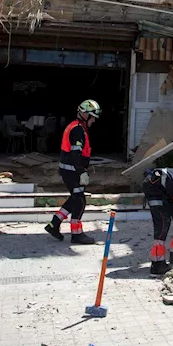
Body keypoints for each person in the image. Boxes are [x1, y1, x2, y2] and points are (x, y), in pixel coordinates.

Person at [46, 100, 100, 245]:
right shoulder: (77, 130)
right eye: (92, 117)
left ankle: (54, 223)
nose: (94, 120)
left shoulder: (76, 127)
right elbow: (76, 154)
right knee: (80, 200)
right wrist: (81, 172)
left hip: (69, 170)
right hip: (72, 171)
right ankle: (77, 234)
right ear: (84, 114)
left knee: (75, 198)